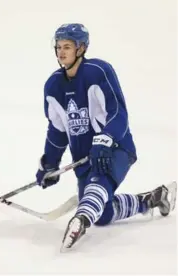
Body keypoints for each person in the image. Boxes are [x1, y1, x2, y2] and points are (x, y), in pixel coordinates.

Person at [34, 23, 177, 250]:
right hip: (84, 158)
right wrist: (50, 163)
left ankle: (80, 221)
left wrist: (105, 138)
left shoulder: (98, 71)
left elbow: (118, 111)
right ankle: (152, 199)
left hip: (115, 148)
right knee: (102, 212)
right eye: (59, 47)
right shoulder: (53, 85)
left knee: (96, 190)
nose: (61, 52)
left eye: (67, 47)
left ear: (81, 49)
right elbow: (57, 130)